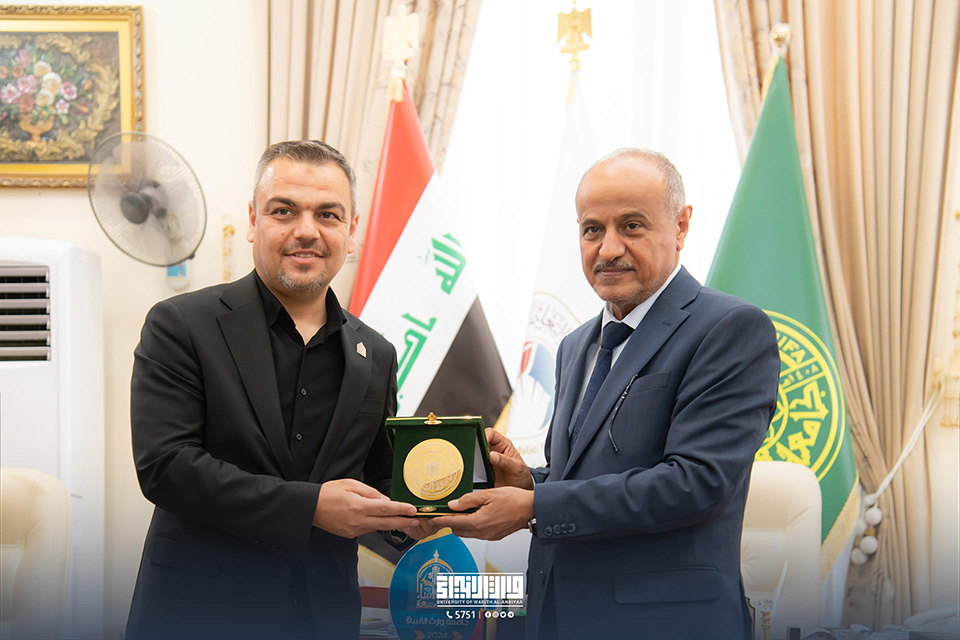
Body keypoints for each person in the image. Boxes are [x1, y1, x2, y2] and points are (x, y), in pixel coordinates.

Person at [428, 149, 781, 639]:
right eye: (592, 229)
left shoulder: (730, 329)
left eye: (632, 226)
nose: (608, 249)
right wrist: (529, 484)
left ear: (681, 227)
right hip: (554, 618)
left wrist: (536, 507)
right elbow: (584, 476)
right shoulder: (576, 346)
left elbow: (696, 482)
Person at [126, 140, 426, 640]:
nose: (306, 230)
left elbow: (377, 478)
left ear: (351, 231)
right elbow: (166, 467)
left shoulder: (376, 353)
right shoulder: (181, 324)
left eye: (328, 214)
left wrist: (420, 510)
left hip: (323, 617)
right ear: (253, 220)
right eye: (284, 211)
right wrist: (310, 507)